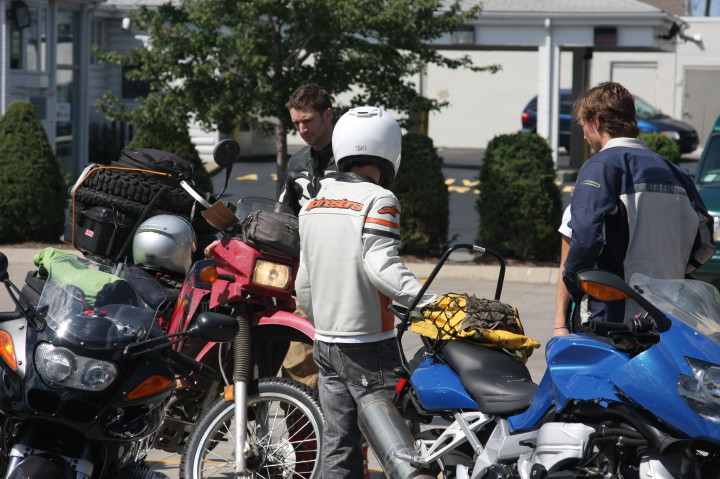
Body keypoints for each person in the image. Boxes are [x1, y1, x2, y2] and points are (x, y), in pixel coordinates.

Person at [295, 106, 437, 477]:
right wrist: (431, 303)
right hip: (369, 347)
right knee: (402, 452)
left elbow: (303, 283)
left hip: (326, 343)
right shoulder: (379, 200)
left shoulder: (312, 203)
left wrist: (325, 324)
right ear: (390, 150)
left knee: (338, 445)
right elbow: (382, 267)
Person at [561, 81, 715, 324]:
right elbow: (704, 241)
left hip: (612, 318)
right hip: (670, 315)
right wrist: (672, 272)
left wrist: (573, 282)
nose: (584, 135)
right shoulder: (676, 172)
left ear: (597, 121)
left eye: (584, 126)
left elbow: (586, 239)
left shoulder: (600, 167)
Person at [279, 84, 336, 215]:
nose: (302, 130)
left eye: (308, 120)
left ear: (328, 115)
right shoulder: (296, 161)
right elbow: (283, 215)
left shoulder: (350, 160)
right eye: (296, 123)